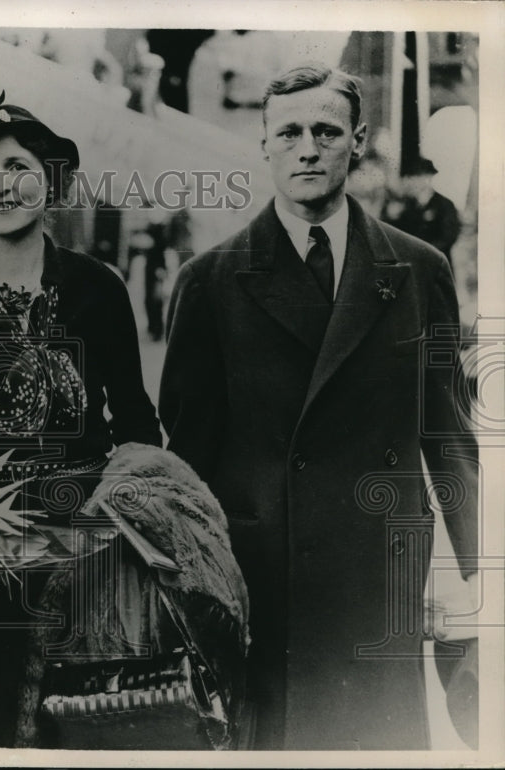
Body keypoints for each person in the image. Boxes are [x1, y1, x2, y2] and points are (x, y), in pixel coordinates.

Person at [159, 64, 479, 750]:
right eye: (291, 132)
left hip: (378, 572)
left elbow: (449, 436)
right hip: (264, 577)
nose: (309, 147)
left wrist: (476, 579)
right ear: (266, 146)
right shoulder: (210, 282)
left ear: (356, 141)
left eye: (327, 131)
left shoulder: (419, 270)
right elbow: (186, 464)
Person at [0, 92, 162, 746]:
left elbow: (136, 422)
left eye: (18, 166)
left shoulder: (97, 289)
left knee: (83, 728)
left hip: (83, 546)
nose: (2, 186)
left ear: (49, 180)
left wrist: (126, 524)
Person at [383, 156, 462, 265]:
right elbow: (398, 233)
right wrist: (391, 217)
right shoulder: (408, 205)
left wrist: (425, 252)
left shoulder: (444, 204)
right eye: (413, 177)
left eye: (420, 176)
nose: (414, 181)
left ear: (429, 178)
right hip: (414, 266)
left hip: (437, 264)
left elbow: (449, 236)